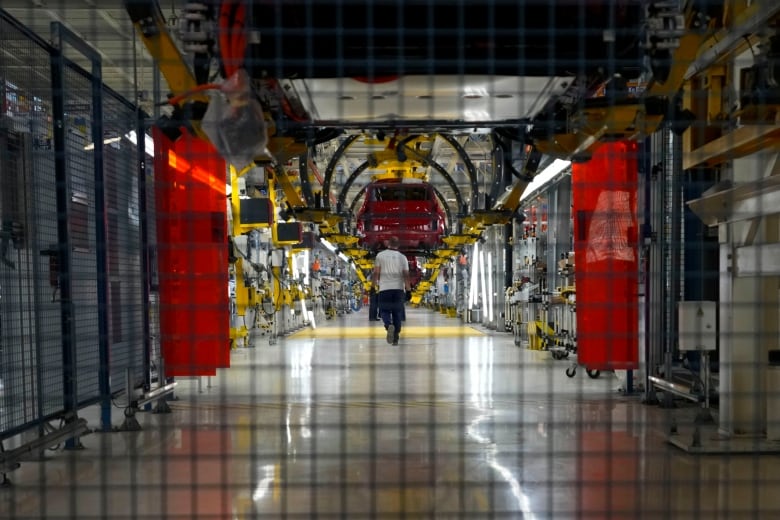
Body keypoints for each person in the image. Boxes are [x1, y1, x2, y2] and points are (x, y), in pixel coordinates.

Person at [372, 236, 410, 345]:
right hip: (398, 289)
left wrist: (373, 287)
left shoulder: (380, 255)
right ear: (398, 245)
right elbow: (406, 276)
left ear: (388, 243)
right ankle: (396, 337)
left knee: (384, 311)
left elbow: (376, 273)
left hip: (384, 288)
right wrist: (408, 290)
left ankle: (388, 325)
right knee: (397, 313)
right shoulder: (402, 257)